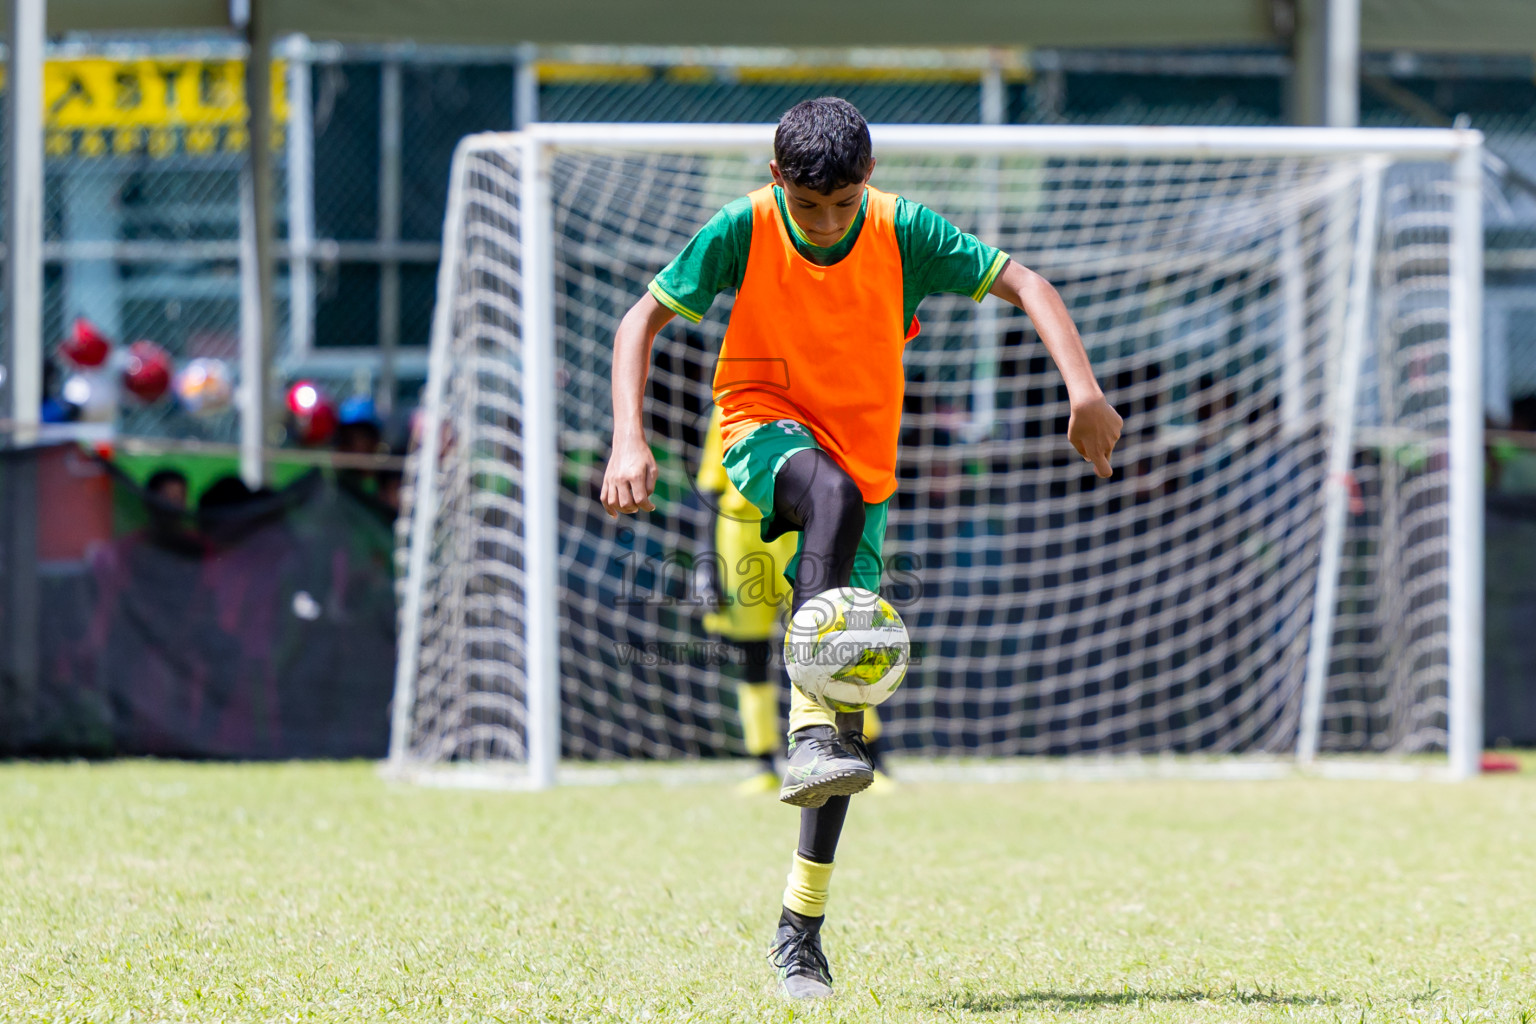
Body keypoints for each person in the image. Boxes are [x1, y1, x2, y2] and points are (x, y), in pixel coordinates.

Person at [600, 97, 1123, 999]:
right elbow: (638, 320)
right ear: (778, 183)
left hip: (866, 473)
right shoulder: (745, 226)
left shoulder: (903, 229)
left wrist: (1084, 392)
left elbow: (1030, 284)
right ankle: (798, 727)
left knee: (848, 725)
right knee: (824, 504)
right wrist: (627, 439)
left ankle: (800, 929)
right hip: (760, 428)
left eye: (843, 204)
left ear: (867, 183)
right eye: (810, 207)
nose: (827, 222)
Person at [692, 403, 892, 795]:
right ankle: (762, 761)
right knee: (749, 650)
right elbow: (710, 484)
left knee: (834, 641)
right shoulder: (731, 403)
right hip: (739, 537)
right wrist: (705, 565)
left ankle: (870, 754)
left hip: (799, 529)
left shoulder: (813, 396)